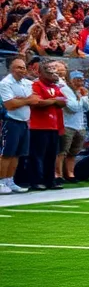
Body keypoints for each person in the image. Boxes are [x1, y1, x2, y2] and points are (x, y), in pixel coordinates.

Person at [27, 57, 66, 190]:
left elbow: (63, 102)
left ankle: (50, 180)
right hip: (38, 126)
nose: (54, 75)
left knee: (51, 155)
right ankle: (37, 180)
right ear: (40, 73)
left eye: (55, 72)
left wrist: (51, 100)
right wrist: (54, 100)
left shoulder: (54, 87)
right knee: (38, 155)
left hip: (53, 126)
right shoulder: (36, 85)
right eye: (50, 73)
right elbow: (38, 102)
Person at [0, 57, 34, 194]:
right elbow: (9, 104)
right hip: (11, 121)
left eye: (24, 67)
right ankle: (1, 180)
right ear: (11, 69)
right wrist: (27, 100)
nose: (22, 70)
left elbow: (36, 99)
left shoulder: (27, 83)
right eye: (19, 67)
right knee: (7, 153)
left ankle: (10, 179)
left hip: (24, 121)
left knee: (17, 154)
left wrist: (21, 100)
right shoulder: (5, 83)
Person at [59, 69, 89, 183]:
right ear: (70, 80)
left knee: (73, 152)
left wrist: (84, 97)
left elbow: (87, 107)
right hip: (68, 125)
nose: (80, 82)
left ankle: (70, 174)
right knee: (63, 152)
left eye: (81, 80)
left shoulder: (80, 91)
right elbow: (73, 108)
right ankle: (59, 174)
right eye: (77, 79)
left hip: (79, 125)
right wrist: (82, 98)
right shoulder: (65, 90)